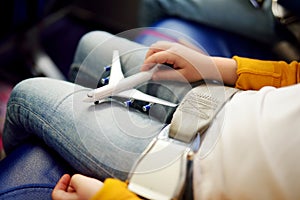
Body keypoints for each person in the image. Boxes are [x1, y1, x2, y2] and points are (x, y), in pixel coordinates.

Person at [3, 30, 300, 199]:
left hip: (189, 177)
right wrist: (216, 67)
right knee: (91, 43)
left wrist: (108, 197)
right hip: (228, 100)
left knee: (26, 96)